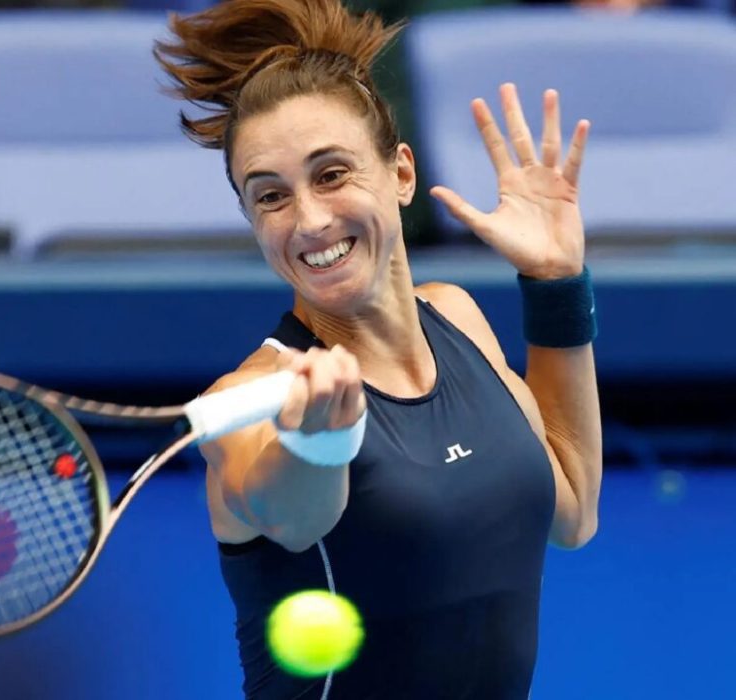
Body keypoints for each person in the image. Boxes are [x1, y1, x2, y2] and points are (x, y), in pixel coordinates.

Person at [156, 0, 602, 697]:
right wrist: (319, 441)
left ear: (400, 173)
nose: (309, 220)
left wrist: (556, 283)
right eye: (270, 197)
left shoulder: (456, 316)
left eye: (331, 174)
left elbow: (572, 509)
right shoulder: (250, 397)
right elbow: (295, 519)